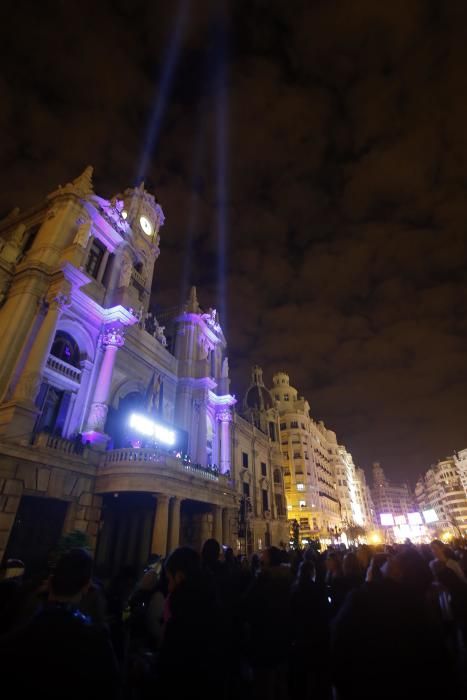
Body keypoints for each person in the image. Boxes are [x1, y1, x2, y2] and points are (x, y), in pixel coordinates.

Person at [0, 548, 120, 700]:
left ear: (50, 581)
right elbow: (111, 687)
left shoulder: (18, 635)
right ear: (86, 586)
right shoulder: (96, 642)